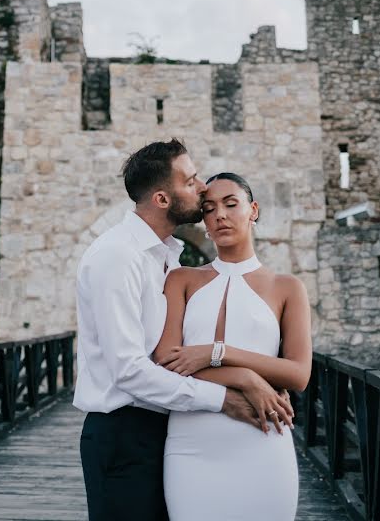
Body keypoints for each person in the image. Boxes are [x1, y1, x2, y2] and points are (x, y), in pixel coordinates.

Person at [73, 141, 294, 521]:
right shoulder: (118, 256)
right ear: (162, 198)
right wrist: (225, 396)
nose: (202, 187)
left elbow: (177, 352)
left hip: (167, 430)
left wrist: (244, 374)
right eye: (191, 181)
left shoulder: (166, 257)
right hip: (123, 435)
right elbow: (130, 369)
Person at [155, 172, 313, 520]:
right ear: (204, 222)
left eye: (231, 204)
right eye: (209, 209)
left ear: (253, 210)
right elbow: (166, 362)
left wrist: (217, 352)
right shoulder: (182, 279)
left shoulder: (287, 287)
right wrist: (246, 377)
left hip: (263, 439)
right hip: (190, 447)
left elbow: (299, 375)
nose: (220, 215)